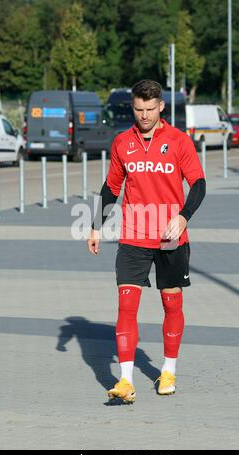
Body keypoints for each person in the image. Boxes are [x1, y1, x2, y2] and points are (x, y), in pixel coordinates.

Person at [87, 79, 206, 403]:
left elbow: (198, 184)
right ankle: (125, 381)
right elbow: (112, 187)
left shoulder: (179, 141)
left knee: (171, 302)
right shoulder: (122, 142)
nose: (144, 115)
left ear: (161, 107)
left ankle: (168, 370)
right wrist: (96, 226)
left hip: (171, 237)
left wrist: (183, 216)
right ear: (133, 106)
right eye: (139, 109)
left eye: (150, 109)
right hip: (134, 236)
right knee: (126, 305)